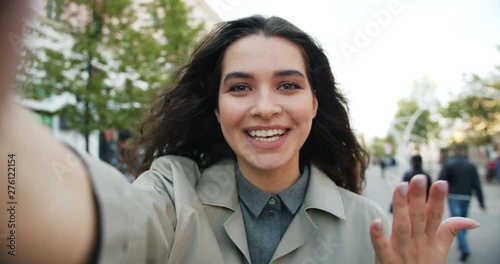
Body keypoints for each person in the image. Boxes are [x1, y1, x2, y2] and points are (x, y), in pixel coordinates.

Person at [0, 2, 480, 263]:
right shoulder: (171, 194)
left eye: (288, 85)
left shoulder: (372, 226)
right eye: (240, 87)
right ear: (216, 107)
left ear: (315, 102)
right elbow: (62, 224)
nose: (265, 107)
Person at [439, 143, 486, 262]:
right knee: (463, 222)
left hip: (453, 196)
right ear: (463, 151)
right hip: (466, 196)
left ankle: (464, 248)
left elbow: (441, 180)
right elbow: (477, 185)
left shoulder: (449, 164)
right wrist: (481, 203)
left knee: (457, 222)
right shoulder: (471, 165)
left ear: (454, 151)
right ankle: (463, 244)